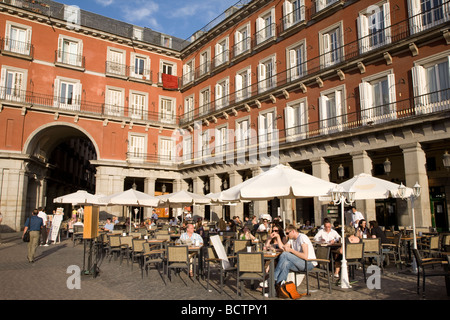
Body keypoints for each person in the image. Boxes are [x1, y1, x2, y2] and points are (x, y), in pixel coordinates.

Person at [273, 225, 316, 299]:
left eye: (287, 233)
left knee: (285, 255)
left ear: (293, 231)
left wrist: (291, 250)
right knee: (286, 263)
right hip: (300, 262)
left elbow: (305, 256)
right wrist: (278, 237)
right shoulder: (291, 239)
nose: (286, 235)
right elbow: (283, 248)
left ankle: (273, 278)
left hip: (308, 263)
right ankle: (280, 288)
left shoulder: (302, 237)